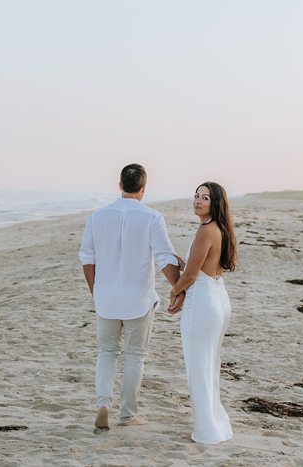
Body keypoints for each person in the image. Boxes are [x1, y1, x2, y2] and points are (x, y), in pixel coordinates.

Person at [79, 163, 182, 432]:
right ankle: (127, 414)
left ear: (120, 185)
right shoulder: (151, 218)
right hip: (138, 300)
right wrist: (178, 288)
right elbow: (164, 257)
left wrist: (96, 291)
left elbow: (87, 258)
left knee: (106, 352)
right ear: (144, 188)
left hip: (106, 299)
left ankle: (103, 404)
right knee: (135, 355)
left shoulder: (97, 216)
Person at [168, 181, 237, 444]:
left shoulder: (205, 231)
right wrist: (181, 263)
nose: (197, 201)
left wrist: (174, 291)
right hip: (218, 298)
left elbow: (192, 276)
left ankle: (206, 431)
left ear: (215, 203)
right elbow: (201, 268)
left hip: (204, 303)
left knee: (199, 367)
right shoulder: (219, 229)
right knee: (209, 366)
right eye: (196, 196)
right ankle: (214, 425)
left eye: (205, 198)